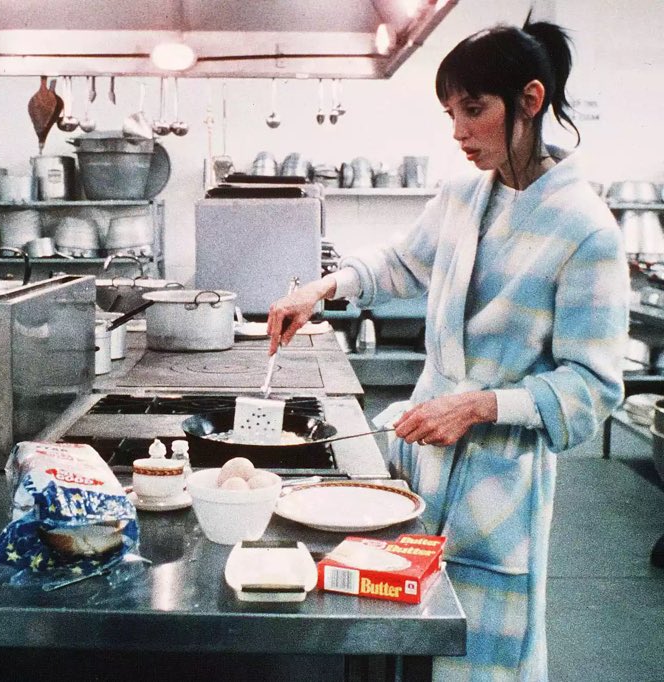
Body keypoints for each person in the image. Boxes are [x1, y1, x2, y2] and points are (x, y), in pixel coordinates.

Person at [267, 18, 628, 681]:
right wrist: (319, 288)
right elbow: (402, 263)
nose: (458, 131)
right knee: (406, 639)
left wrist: (477, 406)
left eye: (473, 110)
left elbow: (594, 386)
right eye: (450, 113)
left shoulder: (586, 229)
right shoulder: (464, 194)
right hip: (422, 464)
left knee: (478, 659)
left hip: (498, 486)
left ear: (530, 100)